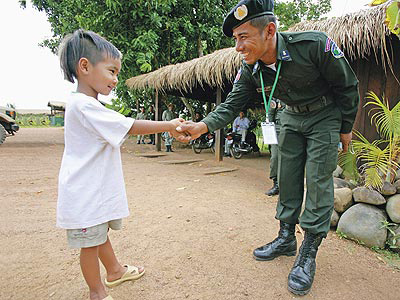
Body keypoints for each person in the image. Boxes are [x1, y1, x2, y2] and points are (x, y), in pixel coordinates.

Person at [176, 0, 359, 295]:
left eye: (243, 37)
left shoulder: (314, 45)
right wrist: (201, 127)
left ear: (269, 30)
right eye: (235, 39)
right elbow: (231, 104)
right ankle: (286, 238)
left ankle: (308, 252)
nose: (238, 46)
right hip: (288, 117)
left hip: (324, 117)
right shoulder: (250, 69)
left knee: (317, 180)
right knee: (285, 177)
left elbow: (347, 86)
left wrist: (345, 127)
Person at [57, 29, 183, 300]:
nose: (115, 79)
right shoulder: (84, 106)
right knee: (90, 244)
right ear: (85, 66)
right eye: (111, 71)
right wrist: (169, 125)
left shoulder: (87, 104)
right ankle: (97, 293)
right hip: (84, 193)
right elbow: (130, 126)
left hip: (92, 190)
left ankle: (114, 270)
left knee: (98, 233)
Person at [265, 98, 284, 196]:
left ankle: (287, 185)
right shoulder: (276, 96)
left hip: (292, 128)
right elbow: (270, 113)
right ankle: (276, 184)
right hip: (277, 129)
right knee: (275, 157)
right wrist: (269, 129)